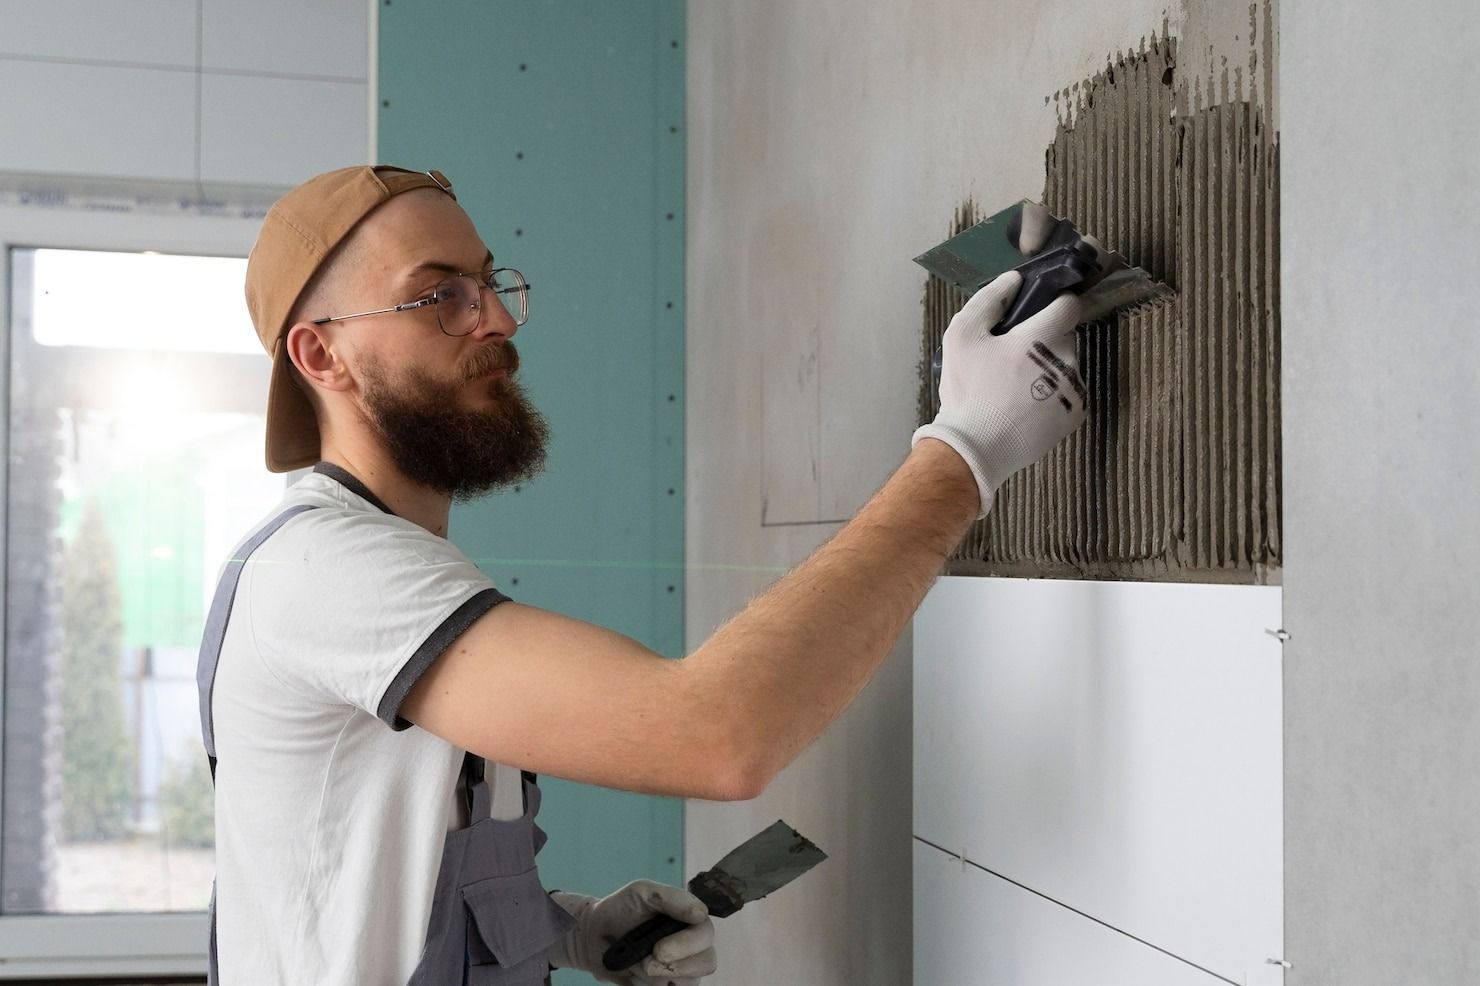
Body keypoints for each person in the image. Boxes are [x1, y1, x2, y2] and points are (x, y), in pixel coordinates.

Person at [201, 165, 1086, 985]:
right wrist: (965, 451)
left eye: (490, 283)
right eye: (442, 297)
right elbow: (716, 735)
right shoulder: (325, 573)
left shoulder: (386, 567)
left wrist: (569, 931)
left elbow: (362, 885)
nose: (496, 319)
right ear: (321, 357)